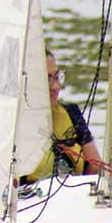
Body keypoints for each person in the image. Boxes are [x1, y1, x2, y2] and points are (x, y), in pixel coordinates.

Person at [22, 49, 102, 183]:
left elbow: (96, 168)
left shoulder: (71, 113)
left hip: (70, 197)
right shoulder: (13, 124)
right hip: (30, 199)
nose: (56, 86)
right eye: (47, 79)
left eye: (57, 76)